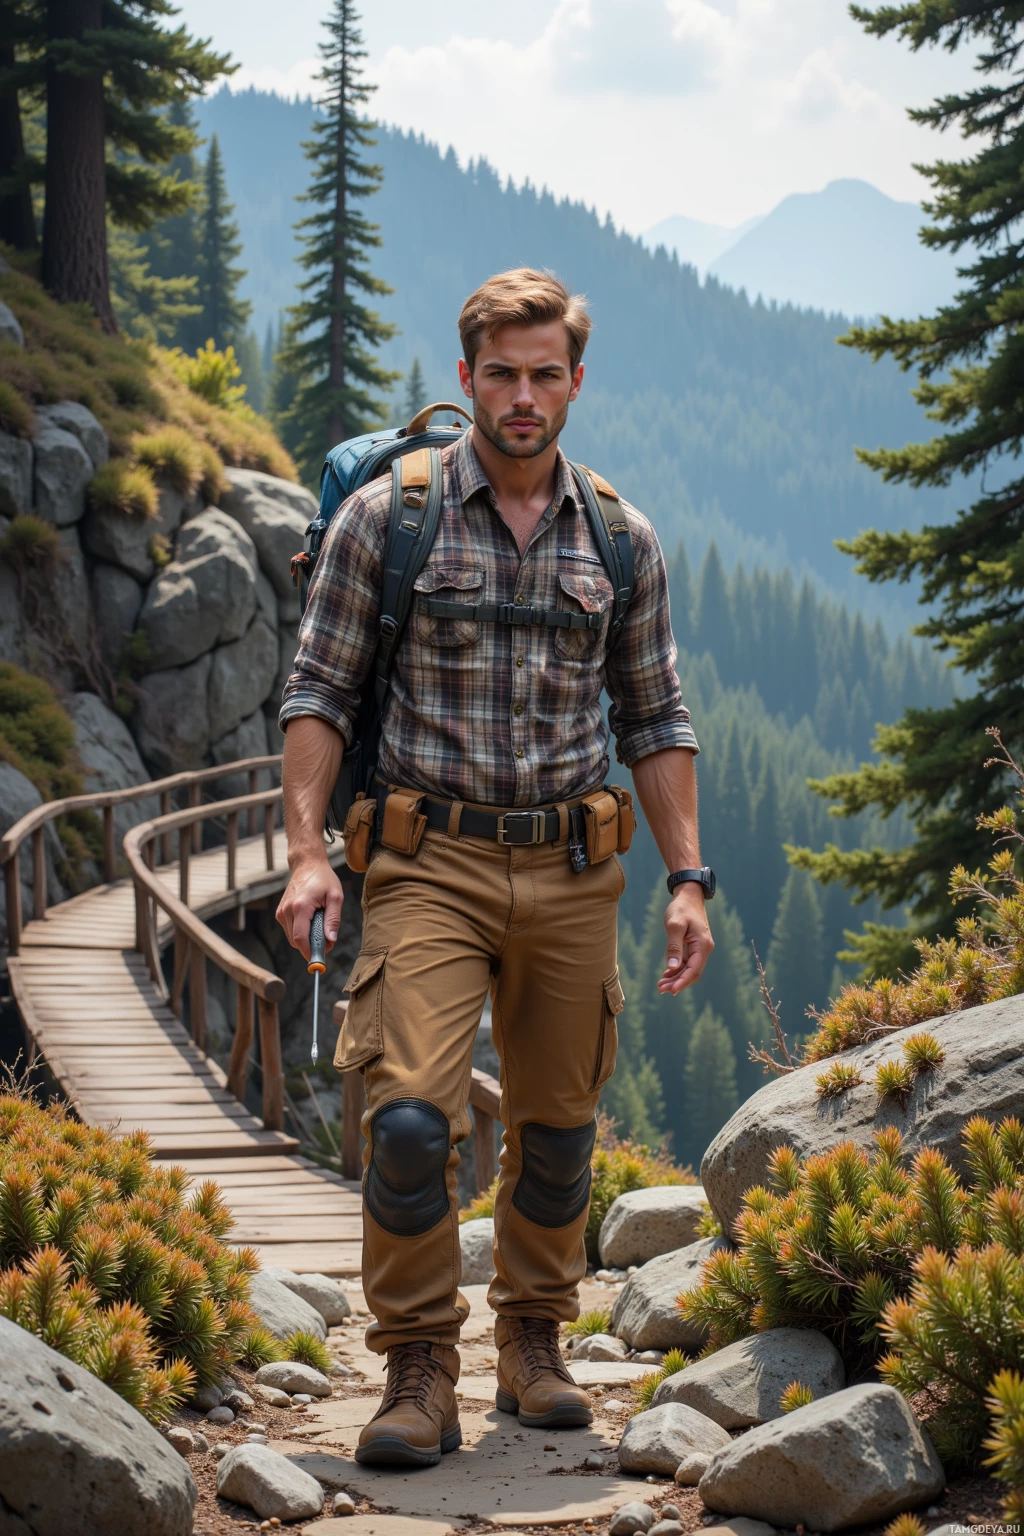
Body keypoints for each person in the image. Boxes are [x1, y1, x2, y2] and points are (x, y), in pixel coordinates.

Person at [275, 267, 713, 1468]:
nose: (524, 397)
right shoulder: (390, 519)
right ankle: (418, 1364)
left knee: (558, 1129)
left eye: (545, 374)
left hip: (575, 871)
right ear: (466, 378)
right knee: (411, 1120)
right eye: (502, 375)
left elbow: (655, 714)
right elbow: (316, 690)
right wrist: (309, 852)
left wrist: (687, 878)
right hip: (427, 864)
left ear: (575, 381)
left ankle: (533, 1344)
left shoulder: (620, 540)